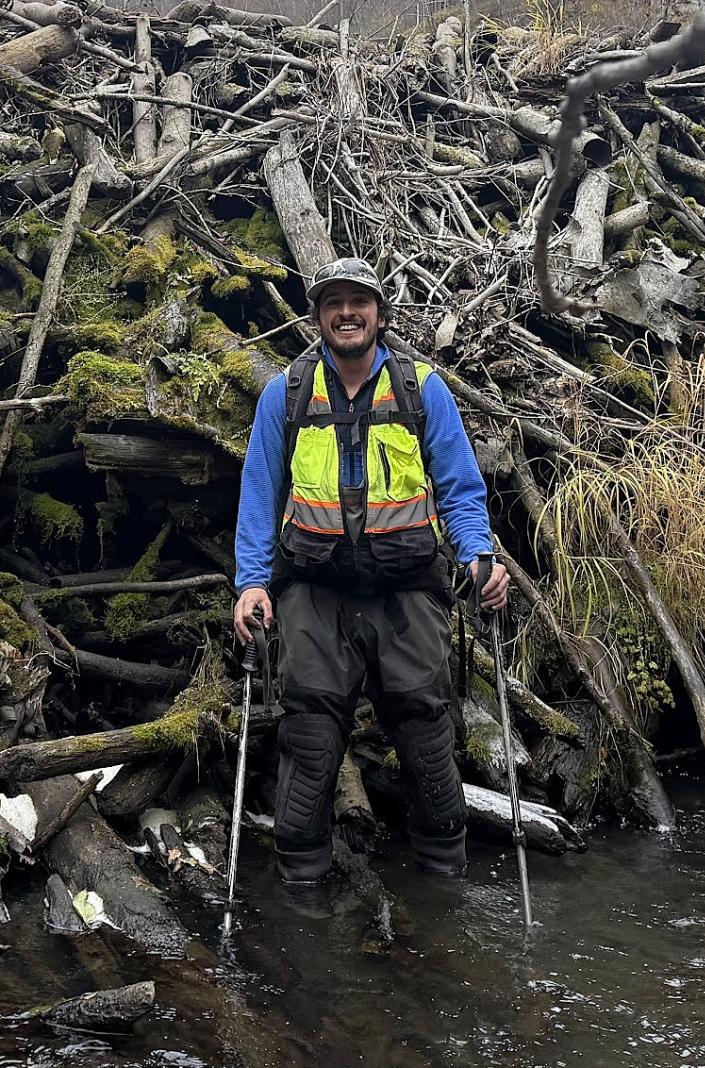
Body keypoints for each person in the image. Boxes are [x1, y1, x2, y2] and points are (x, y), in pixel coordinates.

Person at [232, 256, 508, 884]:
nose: (347, 313)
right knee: (309, 740)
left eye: (359, 303)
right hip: (313, 591)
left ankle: (443, 886)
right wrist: (251, 582)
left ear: (380, 315)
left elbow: (460, 489)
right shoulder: (287, 393)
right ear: (319, 317)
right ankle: (302, 888)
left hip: (408, 590)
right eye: (334, 304)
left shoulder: (422, 389)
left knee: (427, 735)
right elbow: (259, 496)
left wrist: (478, 556)